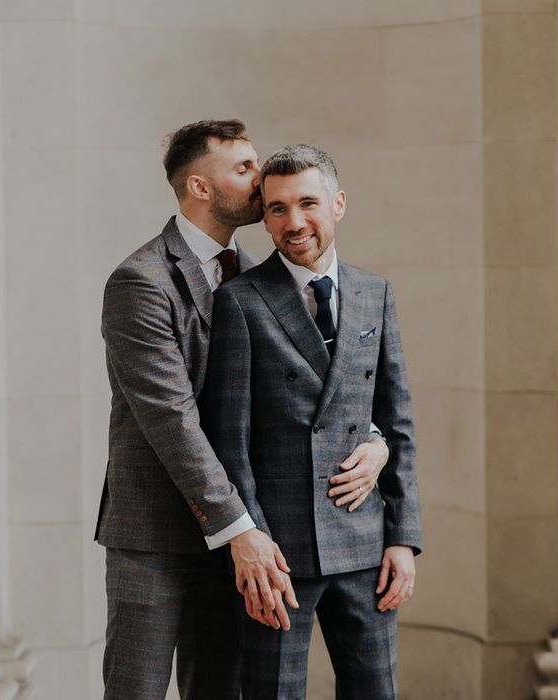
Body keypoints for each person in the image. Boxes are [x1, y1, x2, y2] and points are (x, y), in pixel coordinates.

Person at [95, 121, 391, 700]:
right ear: (201, 187)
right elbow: (172, 420)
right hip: (159, 535)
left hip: (244, 544)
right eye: (244, 168)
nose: (260, 182)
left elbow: (313, 392)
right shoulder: (141, 281)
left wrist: (375, 438)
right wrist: (241, 529)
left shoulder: (262, 274)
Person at [204, 144, 422, 699]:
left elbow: (395, 421)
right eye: (277, 208)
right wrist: (249, 545)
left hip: (366, 544)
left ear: (338, 204)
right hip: (279, 556)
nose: (293, 222)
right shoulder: (241, 301)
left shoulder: (375, 293)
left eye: (307, 203)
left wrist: (403, 538)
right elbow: (231, 441)